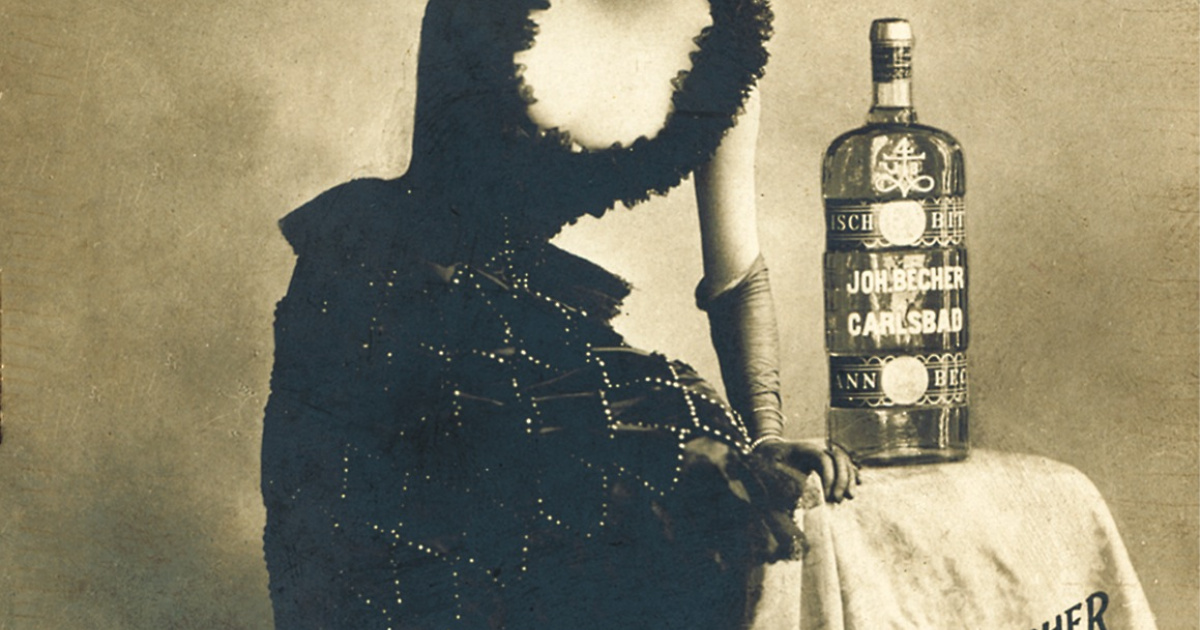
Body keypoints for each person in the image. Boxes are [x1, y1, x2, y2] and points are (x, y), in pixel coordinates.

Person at [261, 0, 856, 628]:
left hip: (513, 317)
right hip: (378, 306)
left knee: (700, 467)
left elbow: (736, 277)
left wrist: (764, 437)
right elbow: (445, 208)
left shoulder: (727, 47)